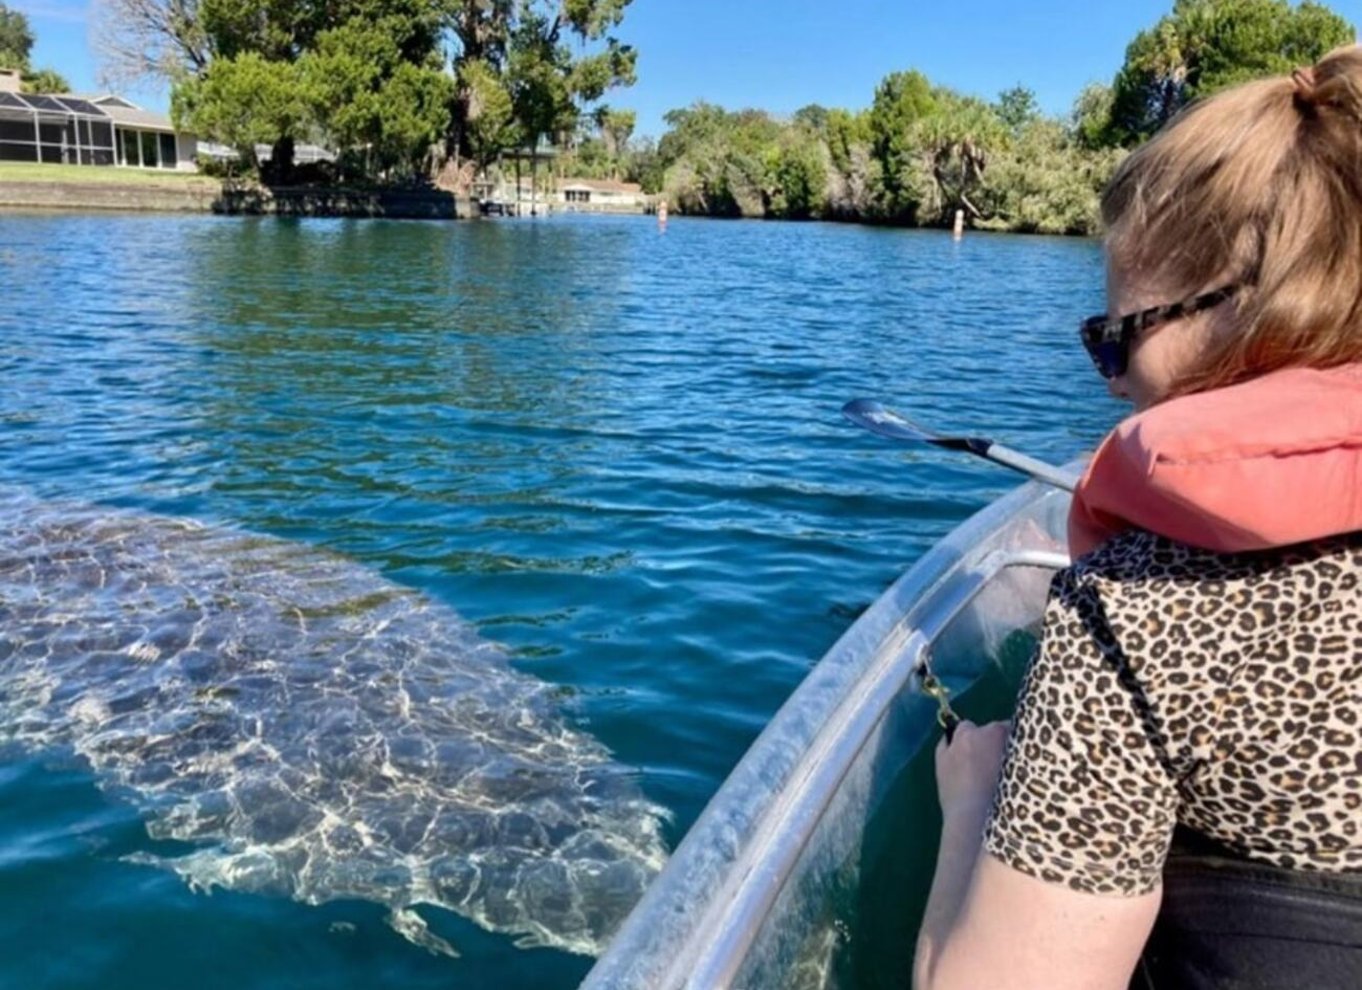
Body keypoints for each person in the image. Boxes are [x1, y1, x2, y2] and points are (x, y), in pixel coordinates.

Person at [913, 46, 1362, 990]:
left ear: (1252, 310)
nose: (1112, 383)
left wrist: (973, 803)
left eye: (1115, 340)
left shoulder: (1142, 607)